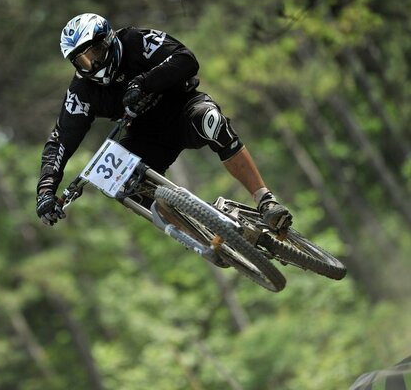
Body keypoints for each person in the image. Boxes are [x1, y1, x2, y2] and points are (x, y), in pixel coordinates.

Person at [36, 13, 292, 234]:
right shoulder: (82, 91)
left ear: (109, 40)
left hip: (183, 109)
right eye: (83, 61)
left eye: (96, 52)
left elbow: (186, 59)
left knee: (212, 123)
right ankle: (199, 235)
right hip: (146, 134)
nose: (94, 64)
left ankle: (265, 200)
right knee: (120, 183)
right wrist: (46, 191)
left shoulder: (136, 41)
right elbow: (61, 139)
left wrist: (144, 82)